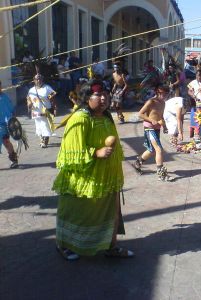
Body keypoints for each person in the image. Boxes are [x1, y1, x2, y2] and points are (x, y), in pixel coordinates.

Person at [53, 79, 133, 261]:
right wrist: (96, 152)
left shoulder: (106, 116)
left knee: (110, 213)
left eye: (106, 94)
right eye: (99, 94)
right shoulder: (80, 118)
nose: (104, 98)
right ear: (87, 97)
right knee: (78, 213)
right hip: (83, 179)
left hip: (106, 176)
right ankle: (64, 245)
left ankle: (110, 247)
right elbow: (71, 152)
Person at [132, 85, 172, 181]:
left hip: (157, 128)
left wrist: (165, 126)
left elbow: (160, 116)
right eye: (163, 93)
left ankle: (137, 162)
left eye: (167, 94)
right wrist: (151, 120)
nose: (165, 96)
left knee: (151, 150)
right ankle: (161, 173)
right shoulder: (151, 101)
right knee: (158, 149)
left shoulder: (163, 103)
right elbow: (140, 114)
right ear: (158, 92)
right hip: (149, 128)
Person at [26, 74, 57, 148]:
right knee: (38, 126)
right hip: (35, 111)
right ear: (34, 80)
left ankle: (45, 141)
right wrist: (29, 103)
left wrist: (55, 108)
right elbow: (28, 98)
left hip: (45, 110)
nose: (38, 80)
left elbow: (52, 99)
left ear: (42, 80)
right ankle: (41, 139)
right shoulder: (31, 90)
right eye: (37, 79)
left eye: (40, 79)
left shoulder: (47, 88)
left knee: (45, 125)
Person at [0, 80, 19, 168]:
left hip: (5, 124)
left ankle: (14, 160)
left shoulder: (5, 97)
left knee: (6, 141)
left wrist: (13, 120)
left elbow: (11, 109)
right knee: (6, 141)